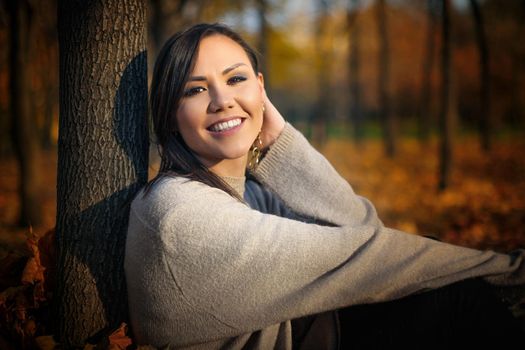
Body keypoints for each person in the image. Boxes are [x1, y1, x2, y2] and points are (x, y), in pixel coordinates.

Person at [124, 23, 525, 349]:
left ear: (261, 88)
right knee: (453, 299)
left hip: (318, 330)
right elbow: (365, 252)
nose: (222, 99)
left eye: (237, 79)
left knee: (435, 287)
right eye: (195, 90)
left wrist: (276, 135)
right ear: (170, 114)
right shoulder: (178, 213)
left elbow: (359, 223)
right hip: (317, 335)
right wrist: (508, 270)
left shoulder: (247, 193)